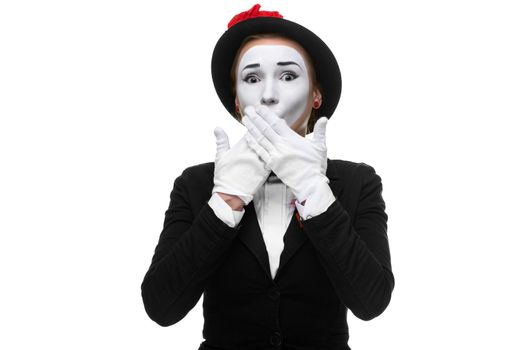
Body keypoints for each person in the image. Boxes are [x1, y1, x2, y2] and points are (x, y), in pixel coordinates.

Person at [141, 4, 395, 350]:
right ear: (236, 101)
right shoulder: (195, 185)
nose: (269, 94)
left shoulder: (357, 183)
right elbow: (161, 306)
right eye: (252, 78)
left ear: (316, 95)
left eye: (288, 76)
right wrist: (226, 200)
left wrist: (313, 191)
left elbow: (371, 301)